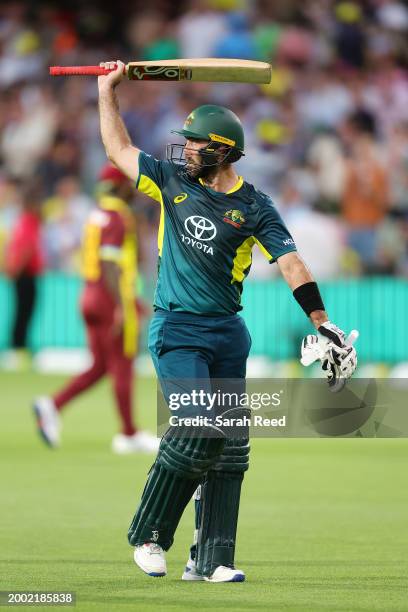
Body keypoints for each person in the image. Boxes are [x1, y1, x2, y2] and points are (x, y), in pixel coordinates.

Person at [97, 60, 357, 582]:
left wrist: (322, 321)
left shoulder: (255, 207)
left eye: (195, 143)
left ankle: (212, 559)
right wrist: (108, 92)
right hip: (177, 330)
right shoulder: (170, 180)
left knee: (230, 446)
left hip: (226, 335)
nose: (185, 148)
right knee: (197, 427)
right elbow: (119, 151)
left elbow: (291, 264)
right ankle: (149, 535)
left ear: (220, 151)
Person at [33, 163, 159, 454]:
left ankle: (51, 406)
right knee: (124, 364)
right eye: (130, 183)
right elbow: (110, 262)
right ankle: (128, 434)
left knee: (101, 365)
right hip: (110, 298)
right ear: (121, 187)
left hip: (90, 294)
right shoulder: (119, 216)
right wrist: (120, 305)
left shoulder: (96, 214)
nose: (134, 187)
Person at [5, 178, 45, 369]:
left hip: (24, 274)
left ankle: (18, 349)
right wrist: (16, 269)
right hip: (26, 275)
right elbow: (27, 249)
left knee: (22, 312)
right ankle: (18, 350)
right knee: (24, 313)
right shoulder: (29, 221)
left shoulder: (24, 221)